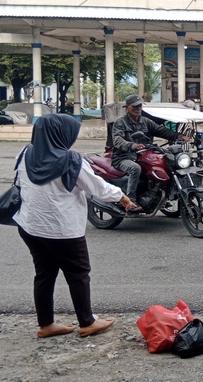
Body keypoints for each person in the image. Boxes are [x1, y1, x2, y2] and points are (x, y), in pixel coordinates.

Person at [13, 113, 137, 338]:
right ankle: (87, 321)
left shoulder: (25, 153)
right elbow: (98, 187)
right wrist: (122, 196)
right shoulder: (70, 160)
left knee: (44, 274)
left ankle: (46, 324)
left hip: (30, 225)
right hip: (62, 229)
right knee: (78, 274)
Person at [110, 94, 186, 205]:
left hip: (144, 156)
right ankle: (130, 202)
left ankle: (159, 195)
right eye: (135, 106)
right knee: (135, 169)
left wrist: (179, 136)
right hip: (123, 157)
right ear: (126, 107)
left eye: (140, 106)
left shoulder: (146, 121)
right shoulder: (120, 122)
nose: (138, 109)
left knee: (166, 164)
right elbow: (117, 140)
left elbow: (161, 131)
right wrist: (132, 145)